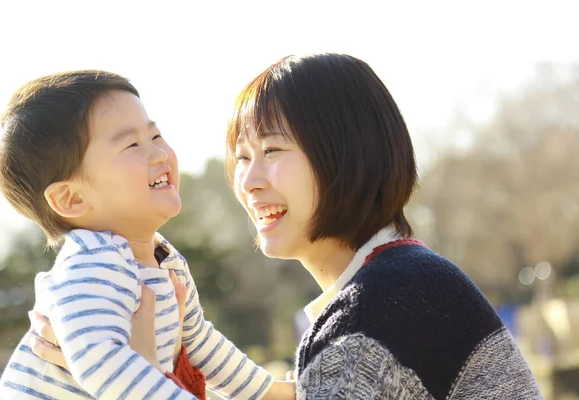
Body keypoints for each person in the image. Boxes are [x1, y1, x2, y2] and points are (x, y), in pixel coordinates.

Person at [30, 54, 544, 399]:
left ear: (345, 155)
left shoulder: (377, 314)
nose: (248, 181)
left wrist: (142, 365)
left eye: (272, 151)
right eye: (242, 156)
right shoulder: (398, 283)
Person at [0, 71, 293, 400]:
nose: (160, 154)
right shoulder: (88, 269)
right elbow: (104, 364)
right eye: (132, 145)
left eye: (155, 136)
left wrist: (276, 393)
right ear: (72, 199)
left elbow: (202, 346)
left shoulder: (165, 259)